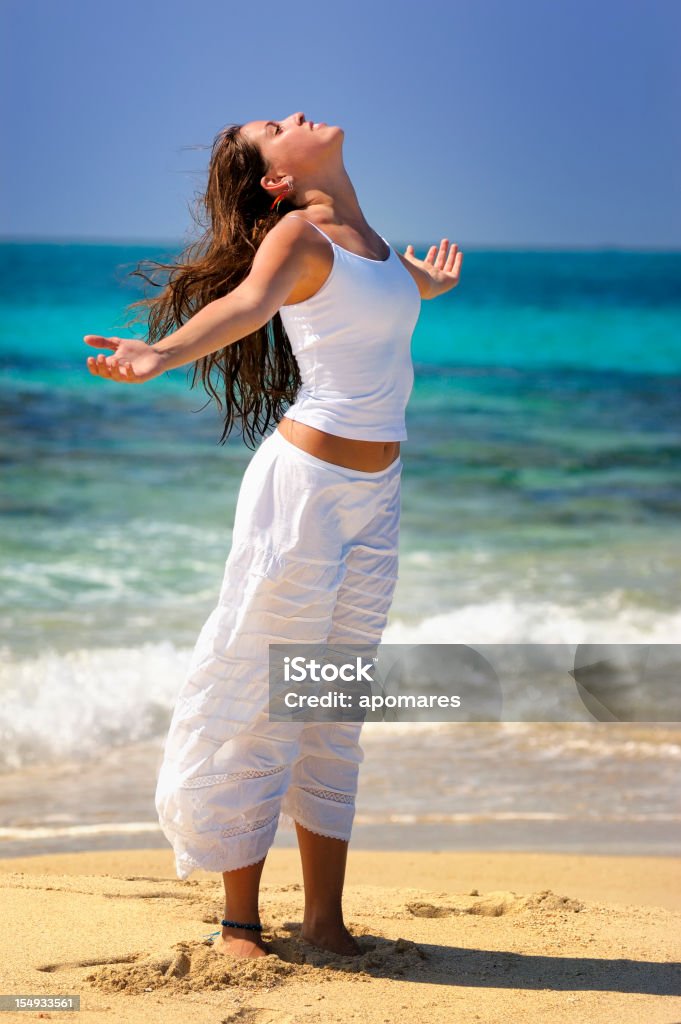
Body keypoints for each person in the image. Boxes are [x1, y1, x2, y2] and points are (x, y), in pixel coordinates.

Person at [84, 111, 463, 961]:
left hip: (376, 495)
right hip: (304, 496)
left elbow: (369, 304)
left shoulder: (369, 242)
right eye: (275, 125)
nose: (295, 115)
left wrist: (421, 287)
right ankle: (238, 925)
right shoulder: (297, 234)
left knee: (331, 704)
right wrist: (159, 353)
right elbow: (247, 306)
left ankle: (325, 923)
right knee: (262, 692)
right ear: (275, 181)